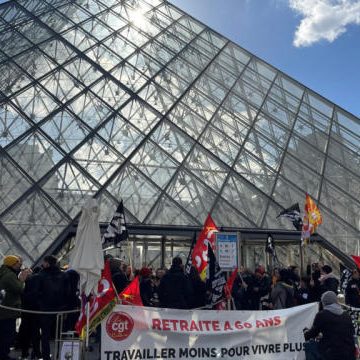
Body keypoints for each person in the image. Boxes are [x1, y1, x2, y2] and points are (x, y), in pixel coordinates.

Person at [304, 291, 355, 360]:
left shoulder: (322, 315)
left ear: (324, 302)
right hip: (349, 353)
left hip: (332, 354)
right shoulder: (346, 315)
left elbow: (312, 334)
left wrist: (305, 332)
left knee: (309, 346)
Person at [35, 255, 69, 360]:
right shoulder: (64, 275)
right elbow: (68, 292)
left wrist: (39, 304)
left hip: (45, 309)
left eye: (44, 262)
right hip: (60, 309)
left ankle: (46, 356)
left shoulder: (40, 275)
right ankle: (59, 355)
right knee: (59, 333)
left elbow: (36, 292)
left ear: (47, 263)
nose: (42, 264)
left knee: (45, 335)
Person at [0, 255, 31, 360]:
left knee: (4, 333)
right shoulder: (9, 276)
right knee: (8, 334)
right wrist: (22, 279)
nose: (20, 265)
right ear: (12, 264)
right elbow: (19, 289)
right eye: (18, 263)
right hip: (8, 311)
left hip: (4, 309)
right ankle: (3, 355)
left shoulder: (4, 273)